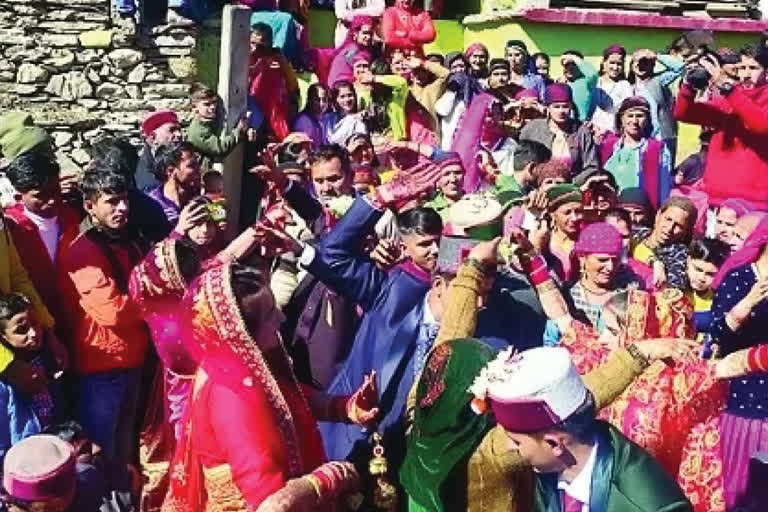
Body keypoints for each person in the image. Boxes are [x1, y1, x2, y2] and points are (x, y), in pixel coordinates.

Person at [161, 263, 366, 511]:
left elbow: (284, 399)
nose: (281, 318)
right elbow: (270, 502)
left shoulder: (228, 362)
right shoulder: (236, 395)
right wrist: (333, 476)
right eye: (270, 314)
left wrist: (343, 407)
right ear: (242, 331)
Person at [474, 346, 694, 512]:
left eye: (517, 441)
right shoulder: (547, 468)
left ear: (553, 444)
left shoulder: (650, 505)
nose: (509, 446)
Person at [58, 171, 149, 468]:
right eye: (111, 202)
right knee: (102, 449)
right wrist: (151, 303)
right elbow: (113, 312)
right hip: (102, 366)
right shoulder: (82, 251)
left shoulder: (127, 242)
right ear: (89, 206)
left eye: (124, 200)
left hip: (130, 358)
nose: (122, 208)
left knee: (124, 444)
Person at [708, 217, 768, 509]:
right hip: (745, 401)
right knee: (742, 493)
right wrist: (748, 303)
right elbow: (717, 337)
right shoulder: (740, 279)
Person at [675, 45, 768, 209]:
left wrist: (726, 88)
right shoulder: (729, 99)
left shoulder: (733, 96)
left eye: (753, 68)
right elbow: (684, 114)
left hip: (755, 203)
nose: (746, 74)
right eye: (741, 68)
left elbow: (760, 124)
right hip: (716, 198)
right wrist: (688, 85)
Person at [3, 151, 81, 331]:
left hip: (76, 314)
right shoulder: (11, 228)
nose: (52, 200)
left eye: (55, 190)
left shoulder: (72, 216)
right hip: (35, 321)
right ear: (18, 194)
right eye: (40, 195)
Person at [0, 293, 63, 459]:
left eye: (35, 323)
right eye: (21, 330)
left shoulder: (45, 359)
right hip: (24, 456)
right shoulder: (6, 382)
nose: (34, 333)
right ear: (3, 337)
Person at [600, 96, 672, 210]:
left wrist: (662, 210)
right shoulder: (608, 146)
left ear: (648, 120)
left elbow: (664, 188)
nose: (634, 121)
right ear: (621, 119)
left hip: (639, 211)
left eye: (639, 116)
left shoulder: (657, 149)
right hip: (609, 209)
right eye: (630, 116)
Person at [520, 84, 599, 186]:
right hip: (537, 188)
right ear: (548, 108)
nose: (561, 111)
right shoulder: (532, 129)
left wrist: (569, 184)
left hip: (573, 188)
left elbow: (592, 166)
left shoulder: (581, 132)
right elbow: (521, 163)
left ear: (571, 106)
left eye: (565, 106)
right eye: (556, 107)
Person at [630, 196, 697, 289]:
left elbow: (674, 289)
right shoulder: (636, 233)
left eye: (679, 226)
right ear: (658, 216)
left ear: (686, 231)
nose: (670, 228)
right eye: (668, 219)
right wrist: (655, 263)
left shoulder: (679, 255)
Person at [630, 48, 685, 158]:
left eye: (646, 62)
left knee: (664, 171)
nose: (642, 65)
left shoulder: (659, 80)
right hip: (640, 137)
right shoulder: (628, 87)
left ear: (653, 65)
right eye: (638, 62)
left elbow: (680, 68)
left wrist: (655, 55)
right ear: (632, 65)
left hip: (663, 136)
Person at [685, 238, 730, 355]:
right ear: (688, 261)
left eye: (710, 274)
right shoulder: (674, 287)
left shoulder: (718, 301)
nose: (701, 278)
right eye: (698, 269)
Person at [186, 83, 247, 169]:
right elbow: (220, 148)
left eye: (214, 102)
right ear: (194, 107)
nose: (213, 107)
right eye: (207, 104)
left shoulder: (211, 120)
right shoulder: (198, 131)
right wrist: (238, 131)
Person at [147, 142, 202, 227]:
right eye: (191, 165)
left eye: (197, 164)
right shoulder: (152, 204)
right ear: (170, 170)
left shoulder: (197, 201)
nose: (198, 169)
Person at [539, 184, 584, 282]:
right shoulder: (545, 240)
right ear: (552, 214)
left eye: (578, 211)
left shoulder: (587, 240)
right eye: (567, 212)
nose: (574, 218)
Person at [136, 110, 182, 192]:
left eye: (179, 130)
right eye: (172, 130)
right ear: (153, 137)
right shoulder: (147, 179)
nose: (179, 135)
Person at [593, 45, 633, 136]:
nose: (615, 67)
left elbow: (627, 111)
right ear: (604, 62)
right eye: (612, 63)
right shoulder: (594, 82)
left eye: (619, 64)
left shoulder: (624, 85)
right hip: (593, 132)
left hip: (614, 134)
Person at [327, 15, 376, 89]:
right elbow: (363, 76)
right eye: (365, 33)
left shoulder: (354, 48)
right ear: (355, 33)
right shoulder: (353, 51)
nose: (368, 37)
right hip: (340, 88)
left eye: (370, 34)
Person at [560, 50, 599, 122]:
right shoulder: (559, 84)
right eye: (566, 65)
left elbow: (593, 74)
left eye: (573, 65)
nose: (569, 68)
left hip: (580, 125)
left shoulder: (586, 82)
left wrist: (574, 58)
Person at [424, 153, 465, 218]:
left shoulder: (476, 203)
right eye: (446, 174)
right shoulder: (429, 210)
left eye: (457, 173)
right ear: (437, 179)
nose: (453, 179)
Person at [293, 83, 331, 148]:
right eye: (317, 100)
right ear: (309, 100)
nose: (321, 104)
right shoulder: (303, 121)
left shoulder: (325, 118)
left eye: (324, 100)